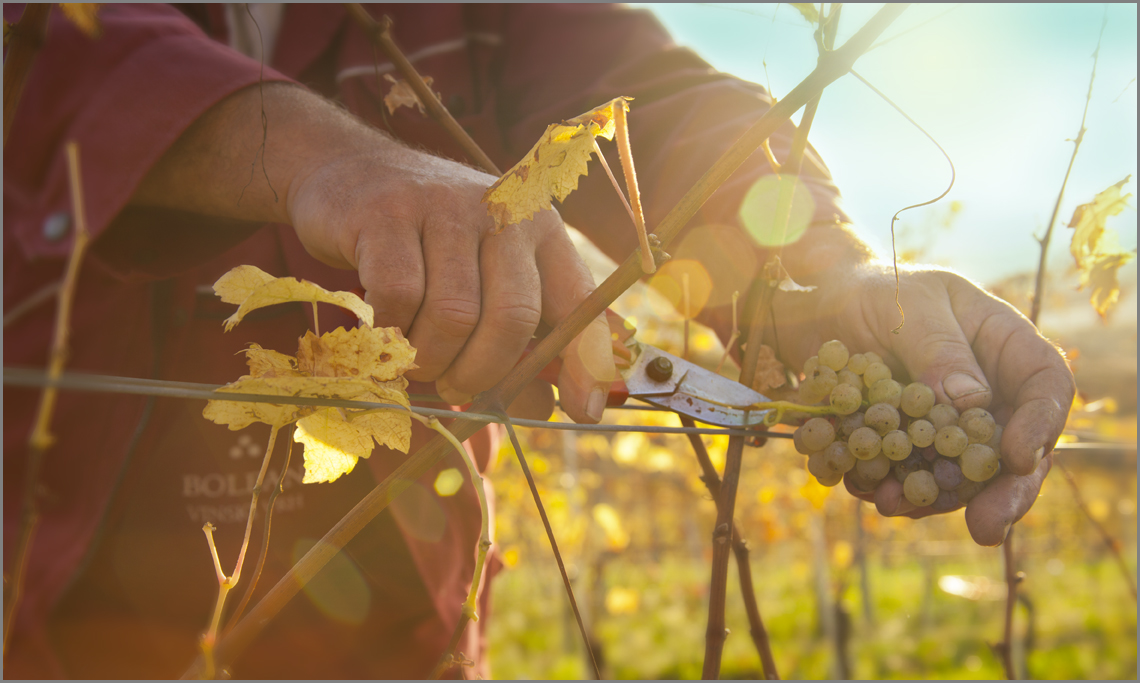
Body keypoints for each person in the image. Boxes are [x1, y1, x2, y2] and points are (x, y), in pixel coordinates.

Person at [3, 4, 1073, 678]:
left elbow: (651, 103)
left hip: (397, 632)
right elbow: (47, 52)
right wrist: (326, 157)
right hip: (49, 621)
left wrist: (823, 270)